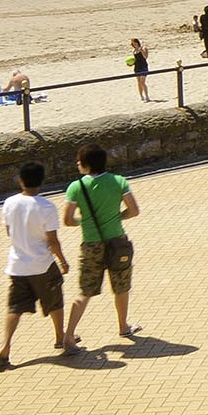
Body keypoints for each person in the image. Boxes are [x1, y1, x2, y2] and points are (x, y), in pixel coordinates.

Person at [0, 161, 74, 371]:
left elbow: (9, 231)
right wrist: (63, 261)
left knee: (15, 307)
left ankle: (6, 346)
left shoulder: (9, 203)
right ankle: (60, 338)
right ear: (41, 182)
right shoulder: (46, 207)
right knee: (55, 301)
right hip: (42, 264)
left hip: (17, 264)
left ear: (21, 180)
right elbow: (53, 241)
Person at [61, 144, 142, 344]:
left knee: (85, 291)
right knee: (121, 287)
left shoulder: (76, 187)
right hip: (117, 241)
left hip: (91, 244)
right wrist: (117, 217)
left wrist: (85, 221)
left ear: (87, 165)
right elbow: (134, 210)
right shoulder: (118, 181)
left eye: (80, 161)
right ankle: (123, 326)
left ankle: (69, 334)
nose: (77, 163)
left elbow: (68, 220)